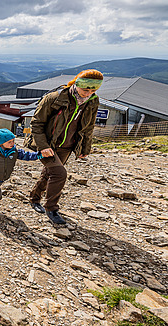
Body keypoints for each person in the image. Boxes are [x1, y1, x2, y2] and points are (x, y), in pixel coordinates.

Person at [28, 69, 103, 225]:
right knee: (60, 173)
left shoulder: (93, 101)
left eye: (93, 89)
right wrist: (43, 146)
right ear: (76, 84)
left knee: (50, 173)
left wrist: (84, 149)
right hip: (48, 144)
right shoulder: (54, 98)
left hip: (67, 146)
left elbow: (89, 127)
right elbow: (36, 123)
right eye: (85, 89)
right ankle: (51, 208)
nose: (88, 93)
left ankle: (34, 199)